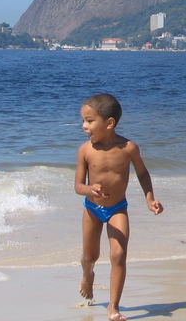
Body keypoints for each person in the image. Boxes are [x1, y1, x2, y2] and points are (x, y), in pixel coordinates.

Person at [74, 93, 164, 321]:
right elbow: (77, 186)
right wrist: (90, 189)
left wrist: (149, 198)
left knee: (119, 255)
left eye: (89, 121)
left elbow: (143, 173)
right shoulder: (85, 150)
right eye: (83, 121)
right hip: (92, 209)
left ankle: (113, 307)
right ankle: (87, 275)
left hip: (117, 208)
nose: (84, 126)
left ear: (110, 123)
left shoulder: (129, 148)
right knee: (89, 256)